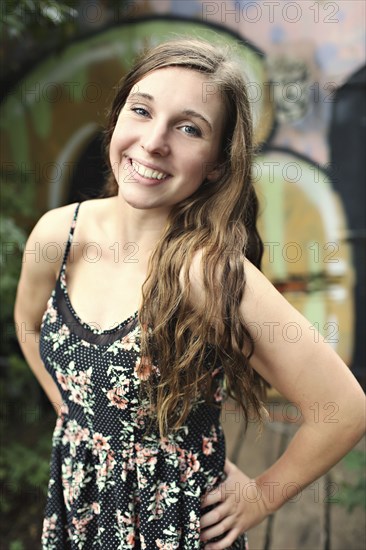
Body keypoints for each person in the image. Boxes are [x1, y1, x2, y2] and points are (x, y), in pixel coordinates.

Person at [14, 38, 364, 550]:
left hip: (170, 527)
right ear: (116, 122)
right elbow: (28, 326)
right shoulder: (58, 235)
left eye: (188, 128)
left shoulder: (212, 276)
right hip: (79, 503)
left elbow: (344, 407)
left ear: (218, 163)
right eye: (142, 111)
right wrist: (70, 410)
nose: (154, 142)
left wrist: (262, 496)